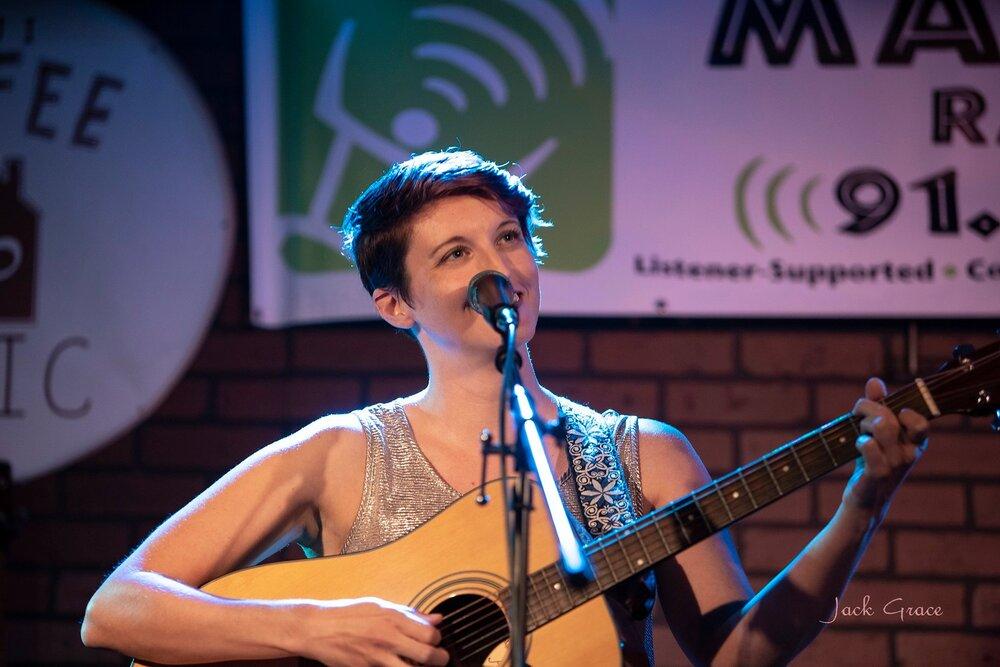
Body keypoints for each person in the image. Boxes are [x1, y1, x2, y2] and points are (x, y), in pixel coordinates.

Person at [82, 150, 930, 666]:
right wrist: (312, 628)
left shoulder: (640, 454)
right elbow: (118, 608)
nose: (499, 268)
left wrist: (863, 502)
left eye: (509, 238)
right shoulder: (339, 452)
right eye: (455, 253)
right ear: (396, 305)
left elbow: (737, 653)